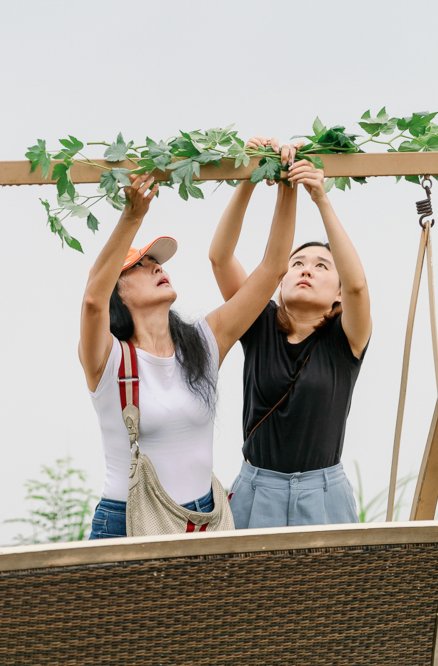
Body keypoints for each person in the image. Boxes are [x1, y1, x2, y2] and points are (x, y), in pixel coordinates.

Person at [81, 156, 298, 539]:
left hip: (203, 520)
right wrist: (132, 217)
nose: (157, 268)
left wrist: (286, 184)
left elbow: (273, 269)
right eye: (141, 265)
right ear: (118, 292)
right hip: (130, 520)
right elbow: (92, 301)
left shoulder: (202, 341)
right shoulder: (109, 358)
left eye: (158, 262)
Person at [208, 142, 372, 529]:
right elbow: (220, 257)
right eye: (297, 263)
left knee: (330, 591)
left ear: (337, 294)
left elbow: (359, 287)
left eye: (321, 266)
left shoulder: (347, 338)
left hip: (324, 493)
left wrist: (320, 198)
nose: (306, 269)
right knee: (248, 591)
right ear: (280, 283)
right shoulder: (258, 323)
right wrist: (248, 180)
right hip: (256, 488)